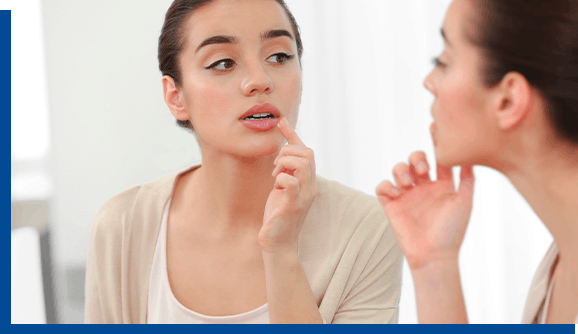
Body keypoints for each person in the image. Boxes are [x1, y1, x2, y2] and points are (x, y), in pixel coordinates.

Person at [85, 0, 403, 324]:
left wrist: (281, 253)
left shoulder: (367, 230)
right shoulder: (124, 226)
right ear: (176, 97)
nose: (259, 80)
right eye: (223, 63)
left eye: (279, 56)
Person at [376, 0, 578, 324]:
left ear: (508, 100)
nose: (429, 81)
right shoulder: (560, 266)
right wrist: (434, 264)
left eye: (443, 61)